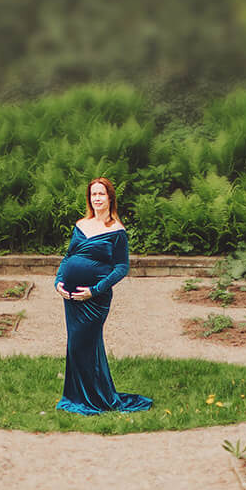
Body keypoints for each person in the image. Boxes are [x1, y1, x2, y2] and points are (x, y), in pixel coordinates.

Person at [53, 177, 151, 415]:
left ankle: (94, 399)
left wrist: (95, 290)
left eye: (101, 194)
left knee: (83, 345)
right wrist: (58, 282)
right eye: (93, 194)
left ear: (110, 198)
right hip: (71, 297)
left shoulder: (117, 232)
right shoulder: (81, 224)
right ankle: (78, 397)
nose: (97, 198)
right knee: (76, 347)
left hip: (94, 300)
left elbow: (121, 267)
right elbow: (68, 257)